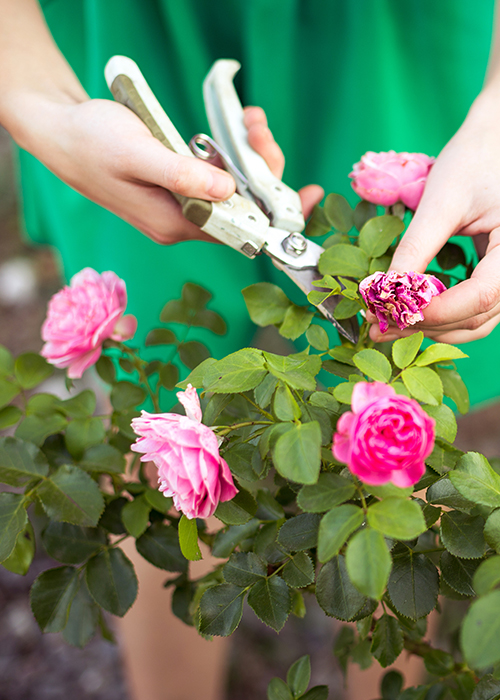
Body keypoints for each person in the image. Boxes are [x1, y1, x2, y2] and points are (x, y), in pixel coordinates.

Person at [1, 1, 500, 698]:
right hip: (142, 19)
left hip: (387, 30)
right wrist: (37, 100)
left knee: (398, 443)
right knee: (163, 441)